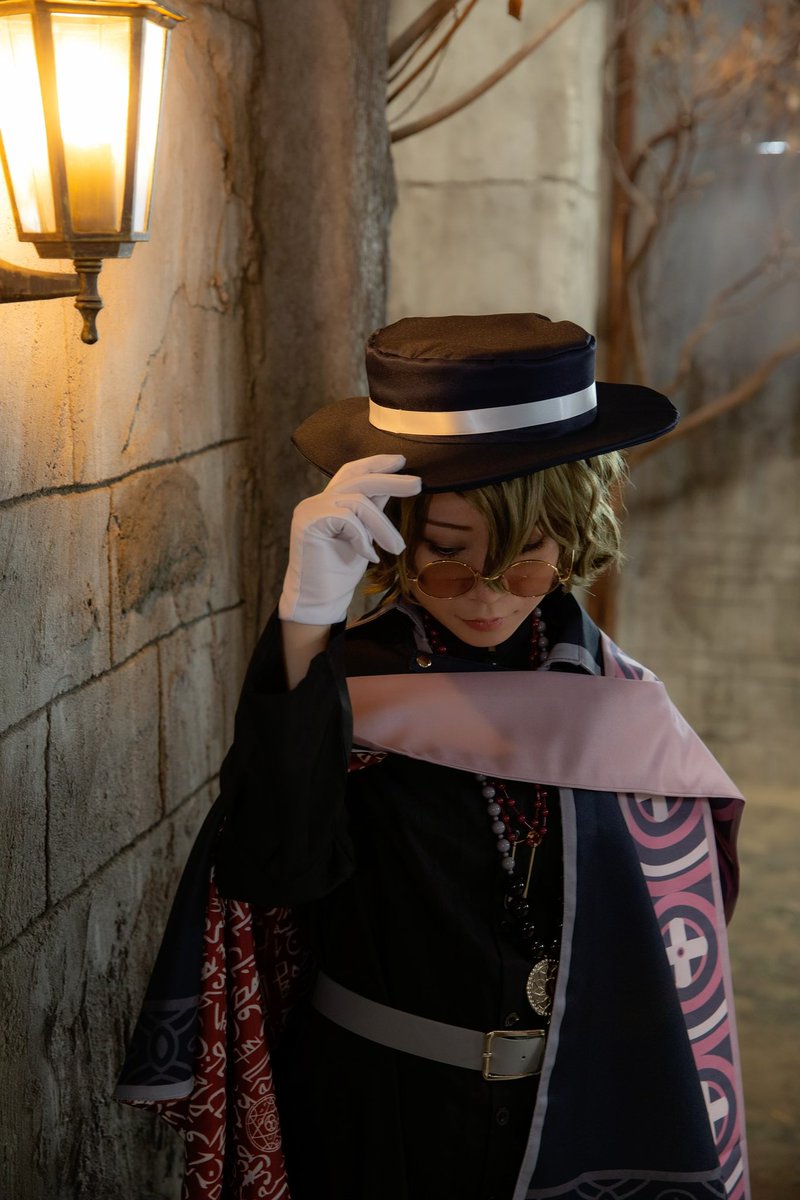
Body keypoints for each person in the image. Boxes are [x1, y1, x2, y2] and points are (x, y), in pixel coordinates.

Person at [117, 314, 749, 1200]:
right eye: (448, 555)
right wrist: (306, 619)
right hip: (377, 1123)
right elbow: (272, 868)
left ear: (574, 533)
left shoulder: (624, 704)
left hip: (580, 1114)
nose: (487, 596)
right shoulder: (342, 690)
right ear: (400, 533)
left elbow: (682, 946)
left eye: (526, 558)